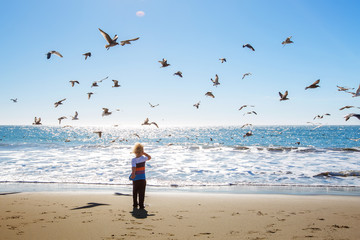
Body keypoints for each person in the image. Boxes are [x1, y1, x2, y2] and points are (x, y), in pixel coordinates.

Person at [129, 143, 151, 209]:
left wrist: (133, 174)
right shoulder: (143, 158)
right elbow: (149, 157)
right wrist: (144, 153)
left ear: (135, 152)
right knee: (142, 192)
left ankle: (135, 204)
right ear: (142, 151)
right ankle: (141, 205)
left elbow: (133, 168)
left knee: (135, 192)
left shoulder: (133, 160)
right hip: (142, 178)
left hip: (136, 178)